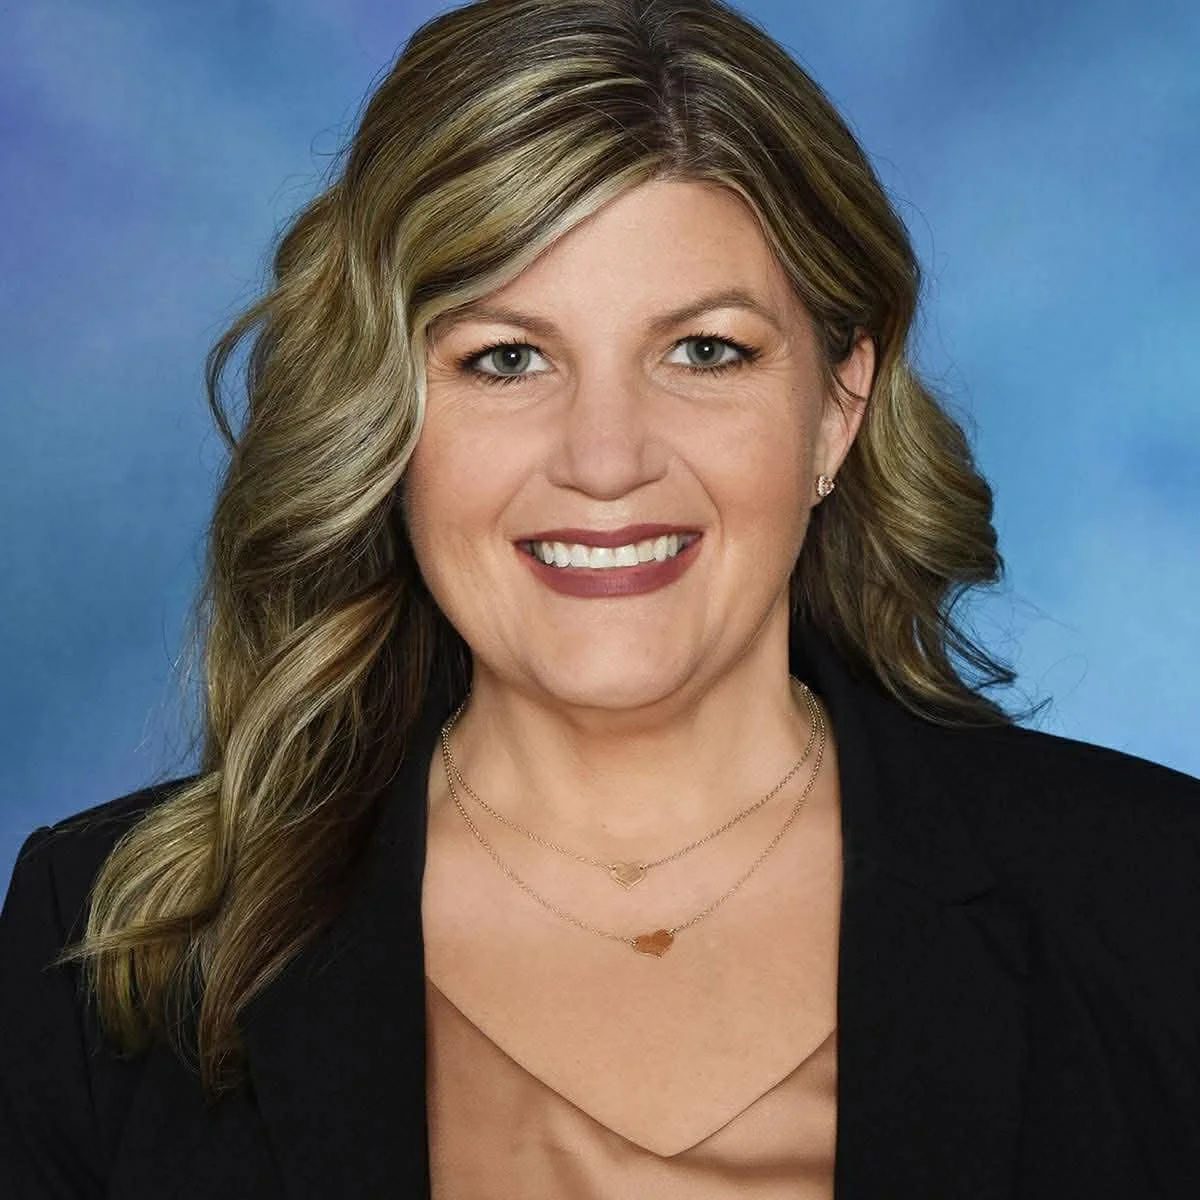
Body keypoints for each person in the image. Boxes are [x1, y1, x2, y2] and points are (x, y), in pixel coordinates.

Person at [3, 0, 1198, 1195]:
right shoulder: (113, 944)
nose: (608, 458)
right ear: (383, 420)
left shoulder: (1160, 898)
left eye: (705, 351)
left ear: (840, 402)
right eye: (506, 358)